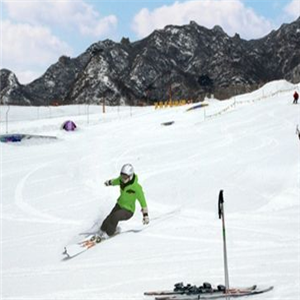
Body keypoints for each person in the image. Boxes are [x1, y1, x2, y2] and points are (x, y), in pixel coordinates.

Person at [94, 164, 149, 241]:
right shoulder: (121, 180)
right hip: (119, 205)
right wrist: (109, 182)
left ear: (130, 176)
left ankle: (108, 234)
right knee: (109, 218)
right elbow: (115, 181)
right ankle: (101, 230)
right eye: (122, 176)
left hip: (128, 210)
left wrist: (145, 215)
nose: (123, 179)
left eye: (125, 177)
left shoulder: (136, 188)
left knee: (115, 217)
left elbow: (143, 201)